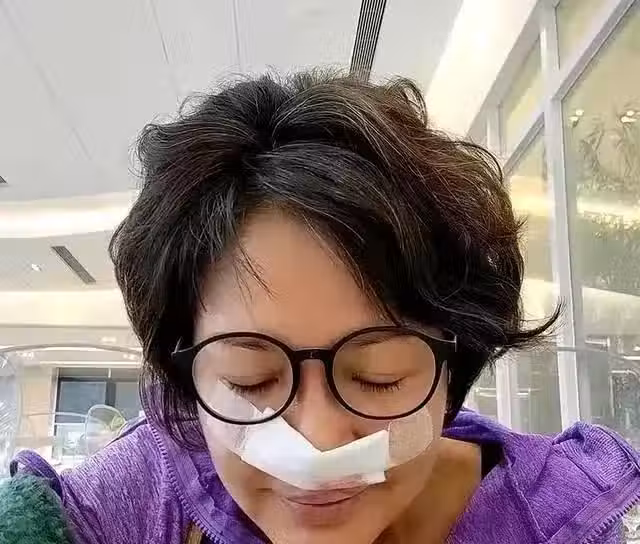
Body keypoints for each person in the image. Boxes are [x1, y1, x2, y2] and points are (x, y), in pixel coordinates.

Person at [4, 71, 640, 544]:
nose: (317, 442)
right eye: (249, 380)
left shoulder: (562, 521)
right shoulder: (145, 496)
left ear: (452, 372)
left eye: (380, 377)